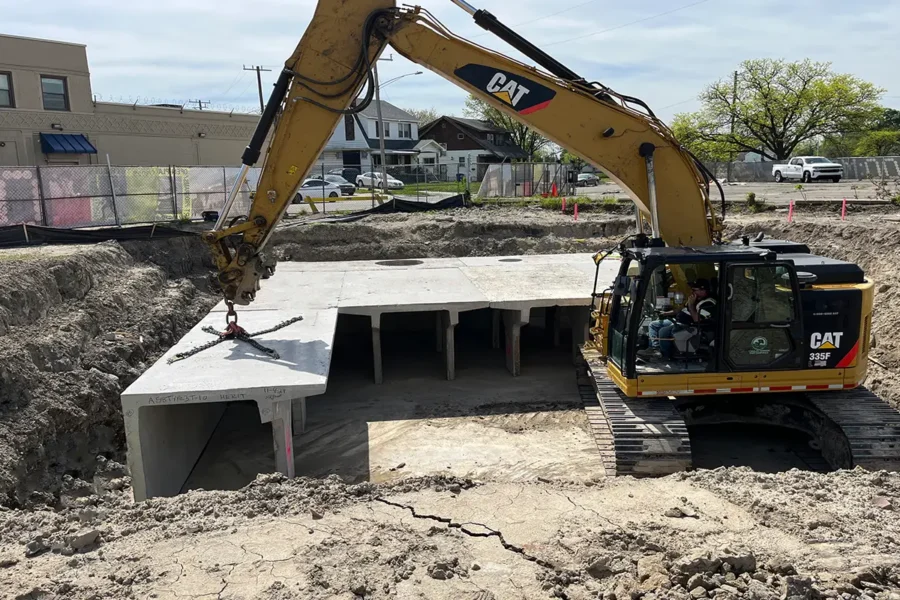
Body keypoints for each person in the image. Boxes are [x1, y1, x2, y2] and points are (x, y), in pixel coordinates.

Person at [643, 279, 717, 360]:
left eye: (695, 290)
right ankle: (654, 349)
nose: (692, 292)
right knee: (653, 324)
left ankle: (665, 356)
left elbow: (697, 321)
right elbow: (680, 309)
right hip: (677, 320)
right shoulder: (695, 299)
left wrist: (691, 305)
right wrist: (665, 313)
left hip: (688, 325)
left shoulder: (708, 303)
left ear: (703, 290)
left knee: (663, 331)